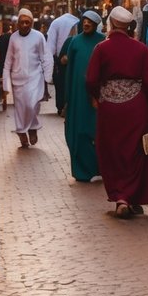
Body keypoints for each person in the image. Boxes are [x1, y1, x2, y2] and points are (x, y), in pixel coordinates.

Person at [85, 5, 148, 219]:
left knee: (112, 150)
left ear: (111, 23)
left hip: (110, 109)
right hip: (136, 107)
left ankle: (120, 197)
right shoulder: (142, 49)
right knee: (135, 151)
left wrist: (97, 96)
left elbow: (91, 79)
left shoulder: (101, 48)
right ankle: (131, 196)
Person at [2, 8, 53, 149]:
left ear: (31, 23)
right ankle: (21, 131)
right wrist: (6, 83)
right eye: (22, 22)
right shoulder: (13, 38)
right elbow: (8, 61)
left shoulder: (38, 37)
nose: (24, 25)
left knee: (32, 105)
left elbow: (46, 56)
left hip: (35, 77)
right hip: (17, 79)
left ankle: (32, 127)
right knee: (20, 108)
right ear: (17, 23)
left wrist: (48, 76)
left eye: (27, 22)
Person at [63, 10, 104, 182]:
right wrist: (67, 97)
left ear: (95, 24)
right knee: (78, 131)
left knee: (96, 131)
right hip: (77, 94)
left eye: (90, 22)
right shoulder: (75, 41)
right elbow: (69, 70)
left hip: (97, 94)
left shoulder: (102, 41)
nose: (86, 24)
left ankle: (99, 167)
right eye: (84, 21)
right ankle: (81, 171)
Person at [46, 10, 78, 114]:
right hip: (75, 57)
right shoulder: (77, 22)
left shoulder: (56, 23)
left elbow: (50, 46)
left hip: (60, 59)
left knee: (60, 84)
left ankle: (61, 107)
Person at [0, 19, 12, 111]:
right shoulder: (13, 37)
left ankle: (4, 99)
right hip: (12, 62)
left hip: (2, 62)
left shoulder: (0, 38)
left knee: (3, 82)